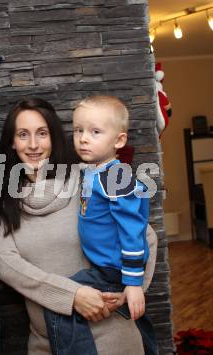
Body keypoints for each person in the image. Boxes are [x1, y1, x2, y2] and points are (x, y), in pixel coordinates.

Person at [0, 98, 157, 355]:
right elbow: (9, 268)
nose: (33, 144)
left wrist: (131, 290)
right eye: (23, 134)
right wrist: (73, 296)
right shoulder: (4, 199)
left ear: (54, 138)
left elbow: (145, 235)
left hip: (112, 335)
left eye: (42, 133)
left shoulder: (87, 178)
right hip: (47, 342)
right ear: (12, 142)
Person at [43, 95, 157, 354]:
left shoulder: (115, 178)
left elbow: (132, 231)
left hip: (113, 270)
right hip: (106, 266)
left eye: (95, 132)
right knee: (137, 318)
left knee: (60, 302)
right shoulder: (93, 171)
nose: (83, 138)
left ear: (118, 140)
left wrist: (133, 283)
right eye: (79, 130)